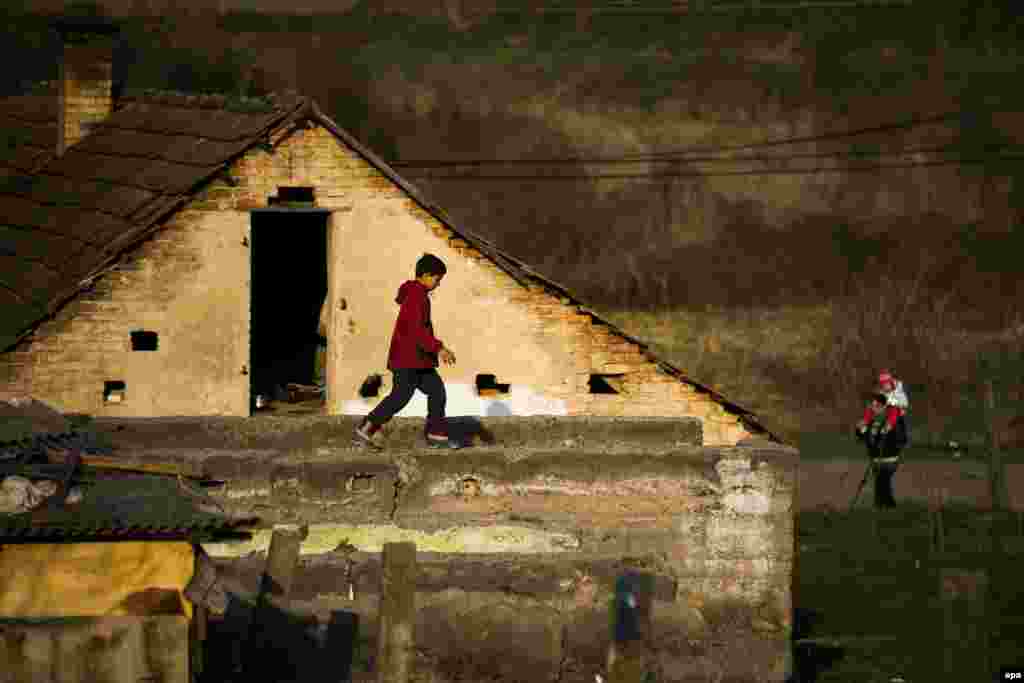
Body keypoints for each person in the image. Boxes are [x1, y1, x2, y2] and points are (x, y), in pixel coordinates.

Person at [353, 254, 460, 450]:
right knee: (401, 396)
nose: (438, 284)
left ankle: (436, 435)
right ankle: (366, 429)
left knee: (436, 391)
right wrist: (439, 347)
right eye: (437, 279)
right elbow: (416, 330)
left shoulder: (416, 294)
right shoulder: (417, 296)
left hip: (417, 360)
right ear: (426, 275)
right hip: (408, 360)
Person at [856, 392, 907, 508]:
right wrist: (860, 430)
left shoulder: (891, 419)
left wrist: (886, 434)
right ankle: (885, 506)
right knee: (881, 483)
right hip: (875, 458)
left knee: (882, 481)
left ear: (883, 406)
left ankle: (883, 505)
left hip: (889, 458)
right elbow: (864, 437)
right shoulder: (870, 419)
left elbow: (899, 438)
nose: (873, 408)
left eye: (876, 406)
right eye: (872, 406)